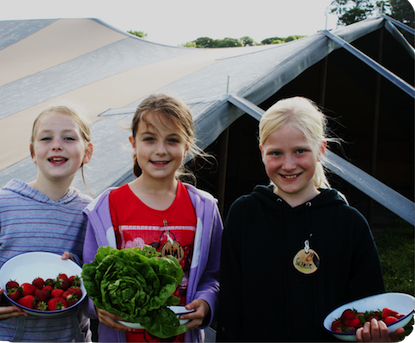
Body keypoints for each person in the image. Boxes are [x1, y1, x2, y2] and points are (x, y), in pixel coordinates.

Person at [216, 96, 405, 342]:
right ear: (262, 153)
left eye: (300, 151)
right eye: (276, 153)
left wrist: (373, 333)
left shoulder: (349, 223)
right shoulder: (244, 214)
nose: (288, 164)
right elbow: (230, 303)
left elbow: (367, 308)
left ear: (321, 150)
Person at [82, 93, 223, 342]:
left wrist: (207, 302)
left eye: (172, 140)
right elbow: (89, 276)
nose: (160, 150)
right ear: (133, 143)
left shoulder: (204, 208)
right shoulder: (107, 207)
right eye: (149, 139)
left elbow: (214, 274)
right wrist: (97, 306)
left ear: (187, 145)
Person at [0, 105, 94, 342]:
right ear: (33, 152)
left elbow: (96, 279)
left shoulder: (90, 212)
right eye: (46, 138)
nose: (57, 144)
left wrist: (79, 271)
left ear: (87, 152)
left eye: (68, 137)